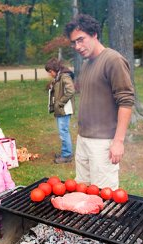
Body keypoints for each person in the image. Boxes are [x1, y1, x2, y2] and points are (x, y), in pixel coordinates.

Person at [64, 14, 135, 190]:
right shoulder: (88, 64)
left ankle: (108, 218)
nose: (77, 46)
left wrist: (118, 141)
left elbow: (126, 101)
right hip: (83, 139)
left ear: (94, 34)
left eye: (81, 40)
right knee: (83, 189)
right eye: (74, 43)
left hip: (103, 143)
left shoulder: (113, 60)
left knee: (105, 196)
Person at [45, 58, 76, 164]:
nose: (50, 74)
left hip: (64, 110)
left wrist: (60, 103)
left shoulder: (64, 76)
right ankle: (65, 153)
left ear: (55, 69)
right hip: (61, 109)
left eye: (50, 72)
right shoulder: (59, 77)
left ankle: (67, 155)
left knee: (63, 132)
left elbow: (71, 90)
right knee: (63, 131)